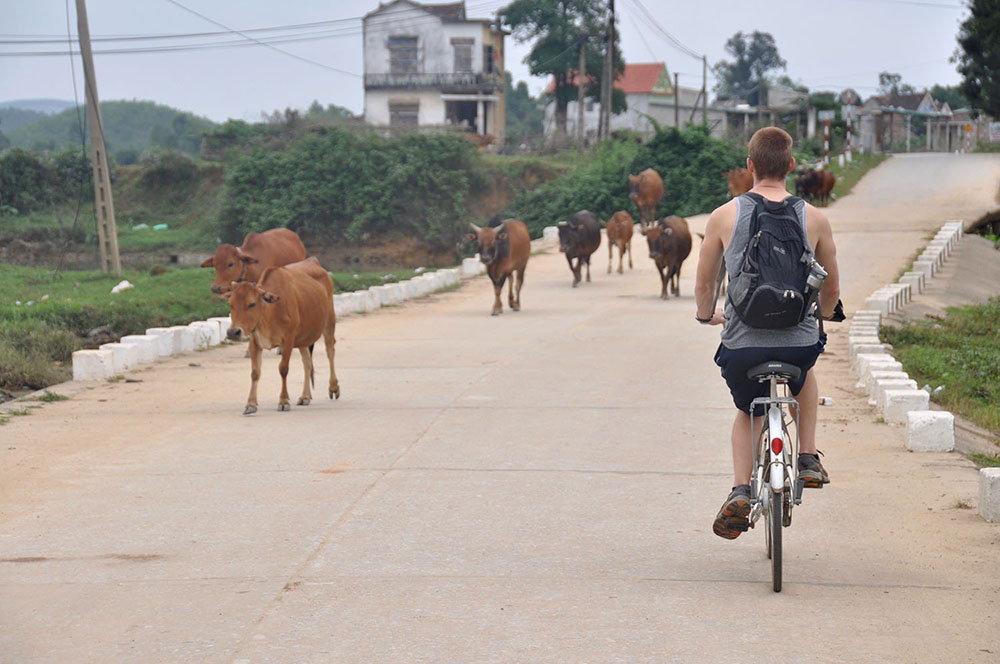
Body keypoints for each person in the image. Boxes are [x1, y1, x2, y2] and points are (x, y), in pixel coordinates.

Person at [694, 127, 841, 540]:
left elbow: (705, 284)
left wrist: (707, 315)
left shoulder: (724, 216)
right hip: (797, 343)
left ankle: (741, 490)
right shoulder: (814, 217)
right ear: (791, 166)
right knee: (806, 374)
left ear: (750, 166)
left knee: (748, 410)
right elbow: (830, 288)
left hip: (742, 346)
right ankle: (808, 457)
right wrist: (825, 316)